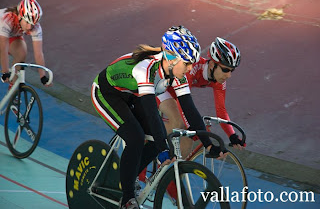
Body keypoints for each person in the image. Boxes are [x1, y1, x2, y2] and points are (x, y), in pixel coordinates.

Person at [91, 25, 223, 209]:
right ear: (171, 59)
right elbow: (152, 113)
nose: (191, 68)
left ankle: (129, 178)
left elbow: (190, 110)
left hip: (131, 94)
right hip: (107, 93)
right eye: (187, 64)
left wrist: (208, 144)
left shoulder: (177, 72)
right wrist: (163, 149)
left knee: (156, 138)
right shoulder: (145, 69)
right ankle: (127, 199)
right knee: (136, 137)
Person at [156, 37, 245, 159]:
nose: (228, 75)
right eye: (225, 69)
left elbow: (221, 110)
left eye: (231, 71)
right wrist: (193, 127)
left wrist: (232, 135)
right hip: (160, 87)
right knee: (181, 124)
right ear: (213, 64)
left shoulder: (219, 81)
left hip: (175, 94)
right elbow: (184, 104)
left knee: (190, 136)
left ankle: (173, 175)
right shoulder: (192, 68)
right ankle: (147, 130)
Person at [0, 0, 49, 85]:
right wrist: (5, 71)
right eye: (27, 22)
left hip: (9, 34)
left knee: (21, 53)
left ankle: (13, 91)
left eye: (32, 23)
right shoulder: (6, 19)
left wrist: (43, 76)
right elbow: (3, 49)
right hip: (2, 33)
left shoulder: (35, 27)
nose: (29, 27)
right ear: (19, 16)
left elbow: (38, 53)